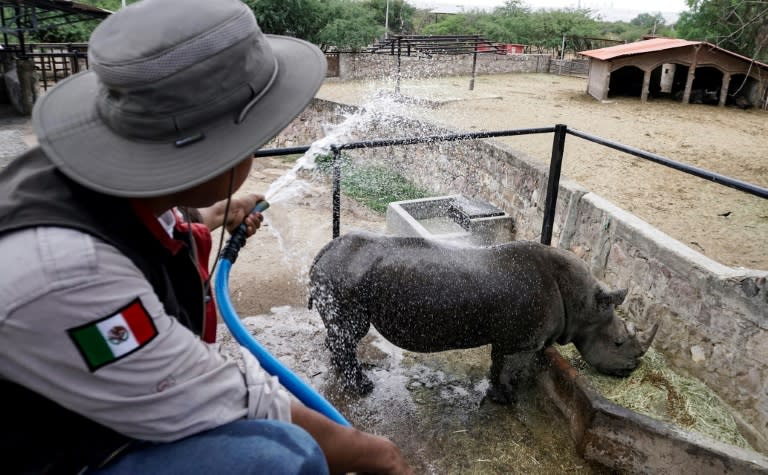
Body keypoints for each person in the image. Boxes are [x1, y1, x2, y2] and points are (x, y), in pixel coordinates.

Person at [0, 0, 412, 474]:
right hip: (55, 452)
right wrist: (375, 453)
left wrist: (211, 214)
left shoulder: (73, 180)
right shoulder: (67, 271)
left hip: (74, 413)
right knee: (280, 457)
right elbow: (217, 398)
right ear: (218, 153)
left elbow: (142, 223)